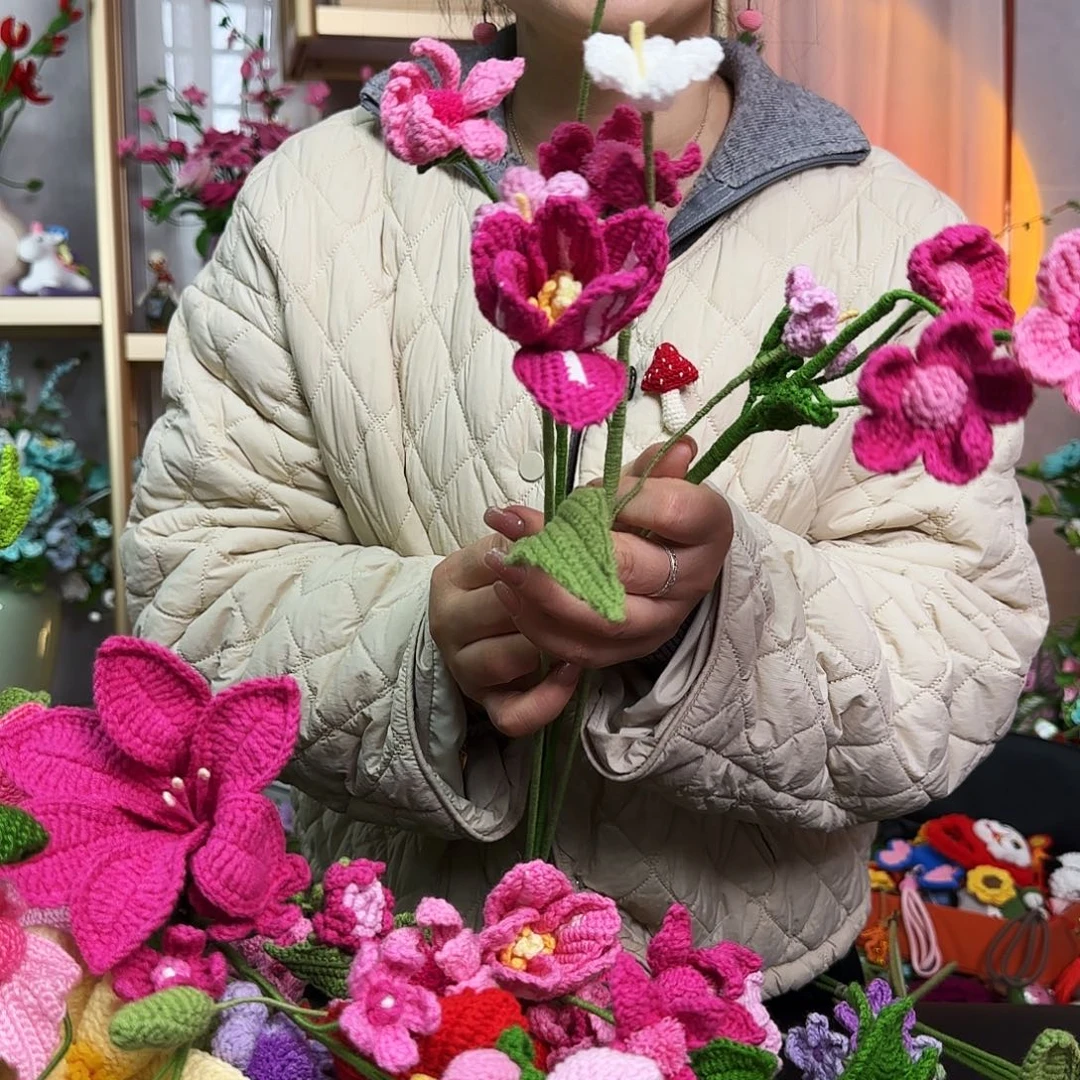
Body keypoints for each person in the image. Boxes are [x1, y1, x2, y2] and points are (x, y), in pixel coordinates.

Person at [121, 0, 1047, 1000]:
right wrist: (420, 645)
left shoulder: (903, 238)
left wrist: (723, 621)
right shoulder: (311, 204)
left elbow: (961, 649)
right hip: (385, 995)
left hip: (748, 1008)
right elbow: (189, 591)